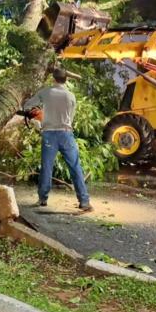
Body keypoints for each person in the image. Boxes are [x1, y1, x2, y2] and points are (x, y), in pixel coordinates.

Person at [25, 67, 93, 212]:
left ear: (53, 79)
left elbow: (27, 105)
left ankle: (42, 199)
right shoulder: (71, 96)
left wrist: (35, 120)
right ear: (66, 79)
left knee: (47, 168)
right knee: (75, 167)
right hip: (66, 133)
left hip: (49, 134)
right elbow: (71, 118)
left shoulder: (46, 92)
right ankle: (84, 201)